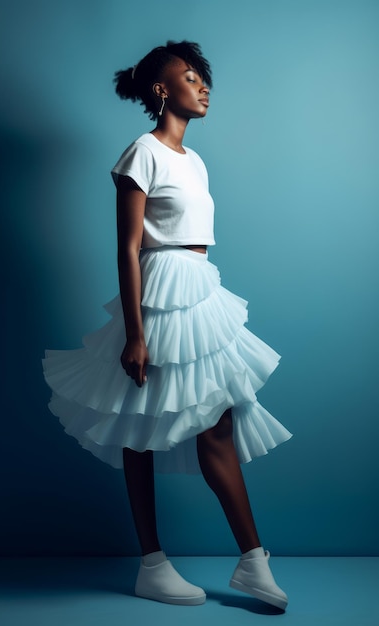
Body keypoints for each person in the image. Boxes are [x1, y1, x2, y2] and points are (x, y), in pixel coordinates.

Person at [43, 40, 292, 611]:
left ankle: (252, 561)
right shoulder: (141, 153)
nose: (203, 86)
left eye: (204, 78)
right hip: (158, 292)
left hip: (199, 289)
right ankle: (154, 563)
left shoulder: (195, 161)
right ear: (162, 90)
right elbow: (128, 249)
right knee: (139, 426)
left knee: (216, 421)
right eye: (190, 77)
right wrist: (134, 333)